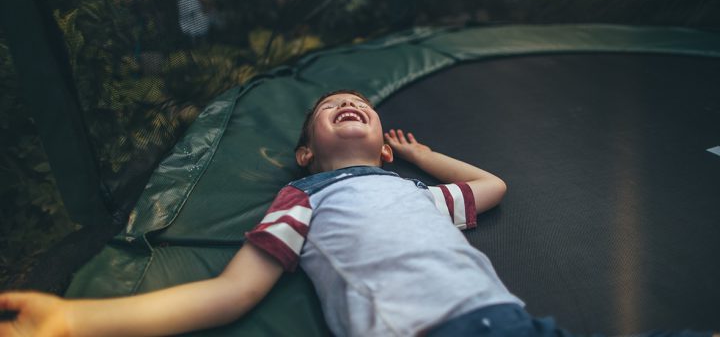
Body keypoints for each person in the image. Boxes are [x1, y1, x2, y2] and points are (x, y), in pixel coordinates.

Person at [0, 90, 715, 337]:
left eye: (362, 107)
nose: (349, 104)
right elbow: (230, 294)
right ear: (306, 153)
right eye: (329, 108)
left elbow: (490, 186)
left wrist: (423, 154)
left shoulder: (414, 195)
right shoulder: (305, 199)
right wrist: (76, 319)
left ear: (378, 145)